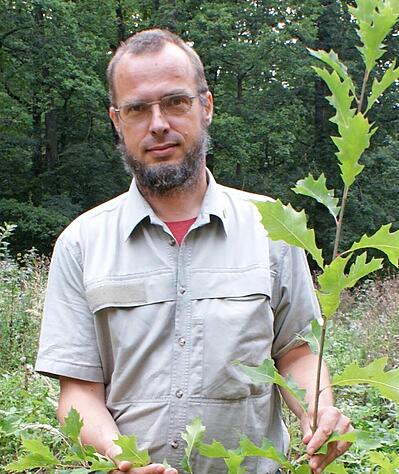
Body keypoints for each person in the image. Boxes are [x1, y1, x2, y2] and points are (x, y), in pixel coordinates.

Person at [35, 29, 352, 474]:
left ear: (206, 106)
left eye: (175, 102)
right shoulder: (81, 243)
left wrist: (316, 413)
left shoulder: (275, 228)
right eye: (138, 109)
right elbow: (79, 391)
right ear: (117, 120)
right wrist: (120, 459)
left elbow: (297, 352)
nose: (158, 123)